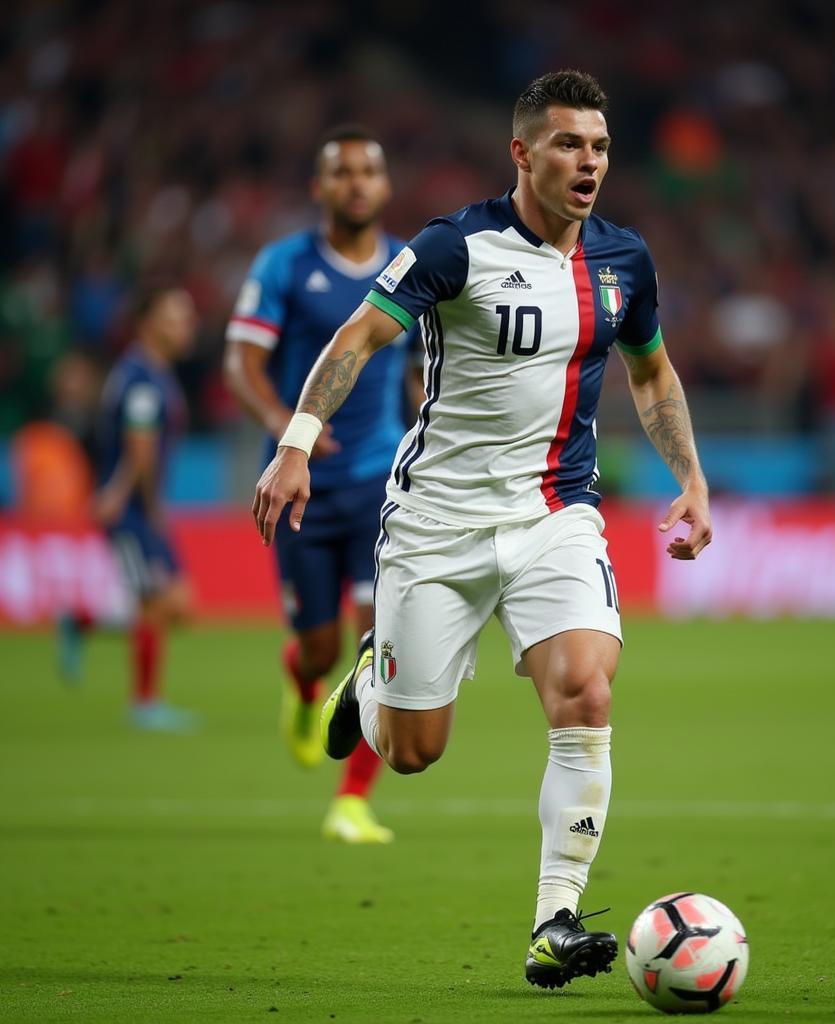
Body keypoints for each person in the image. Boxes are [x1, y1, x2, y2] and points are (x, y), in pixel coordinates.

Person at [252, 70, 712, 987]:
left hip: (554, 515)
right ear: (523, 153)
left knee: (586, 694)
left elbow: (652, 374)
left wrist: (692, 479)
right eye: (570, 145)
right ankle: (369, 686)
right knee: (416, 752)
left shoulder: (625, 262)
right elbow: (353, 342)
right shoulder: (453, 247)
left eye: (601, 146)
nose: (590, 163)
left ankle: (556, 921)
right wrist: (295, 443)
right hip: (437, 524)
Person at [225, 126, 422, 844]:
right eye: (342, 172)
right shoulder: (284, 265)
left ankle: (352, 801)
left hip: (380, 482)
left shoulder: (408, 265)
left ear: (385, 185)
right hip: (300, 484)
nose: (357, 183)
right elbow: (241, 364)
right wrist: (289, 429)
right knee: (318, 647)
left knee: (381, 643)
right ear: (320, 187)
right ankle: (302, 681)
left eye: (370, 170)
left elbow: (417, 366)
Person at [62, 285, 198, 731]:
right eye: (175, 317)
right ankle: (144, 703)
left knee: (179, 606)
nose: (186, 326)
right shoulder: (141, 377)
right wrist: (131, 499)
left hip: (137, 505)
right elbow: (139, 448)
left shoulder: (151, 372)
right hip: (133, 509)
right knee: (156, 604)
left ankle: (80, 622)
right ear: (148, 325)